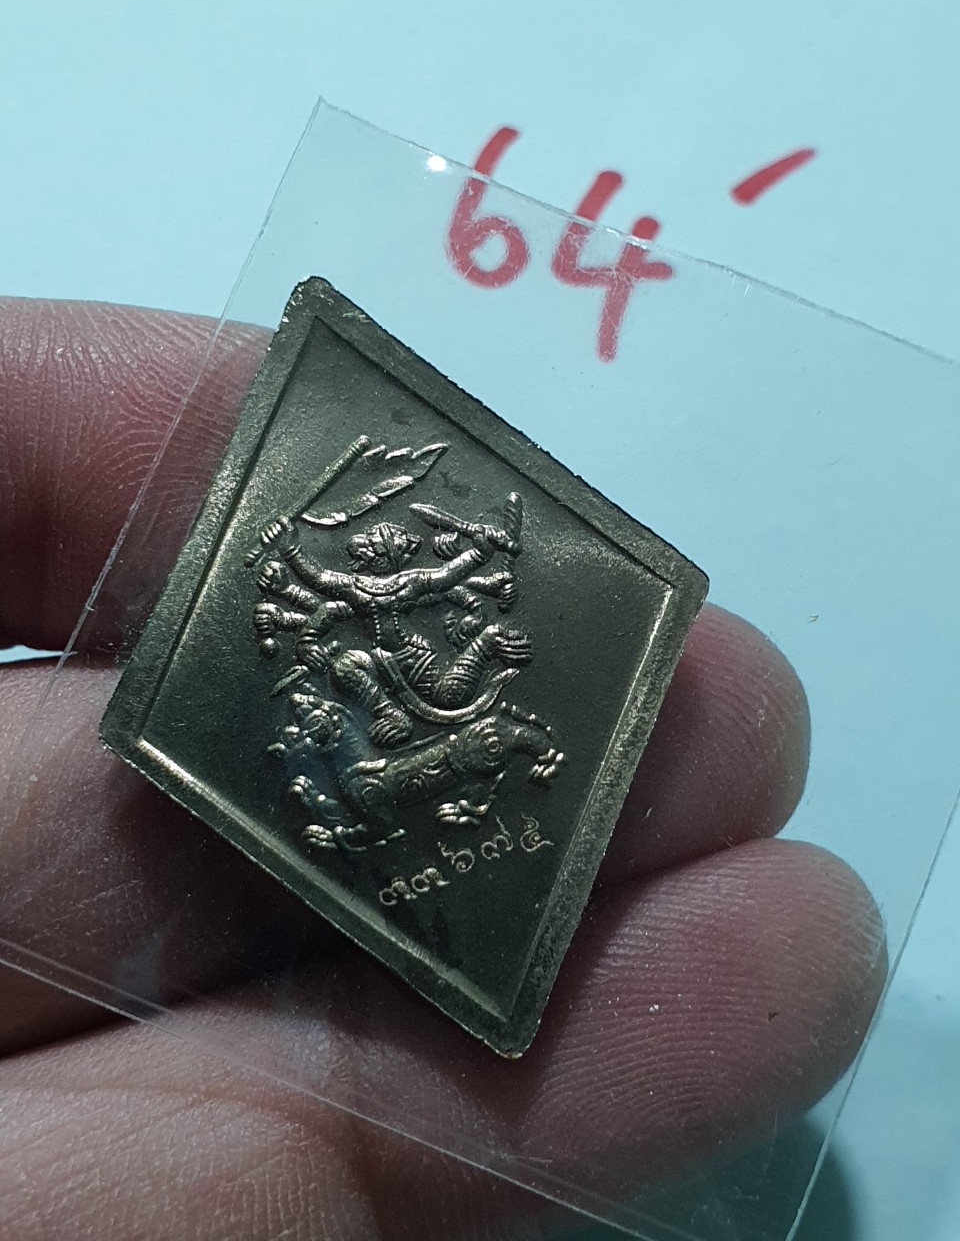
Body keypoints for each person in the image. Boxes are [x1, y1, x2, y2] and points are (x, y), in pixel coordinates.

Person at [0, 301, 887, 1239]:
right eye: (379, 543)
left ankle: (453, 743)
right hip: (386, 703)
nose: (382, 547)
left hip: (425, 690)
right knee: (372, 692)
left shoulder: (405, 585)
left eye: (387, 543)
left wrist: (474, 563)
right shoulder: (358, 594)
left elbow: (431, 577)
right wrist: (294, 562)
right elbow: (327, 588)